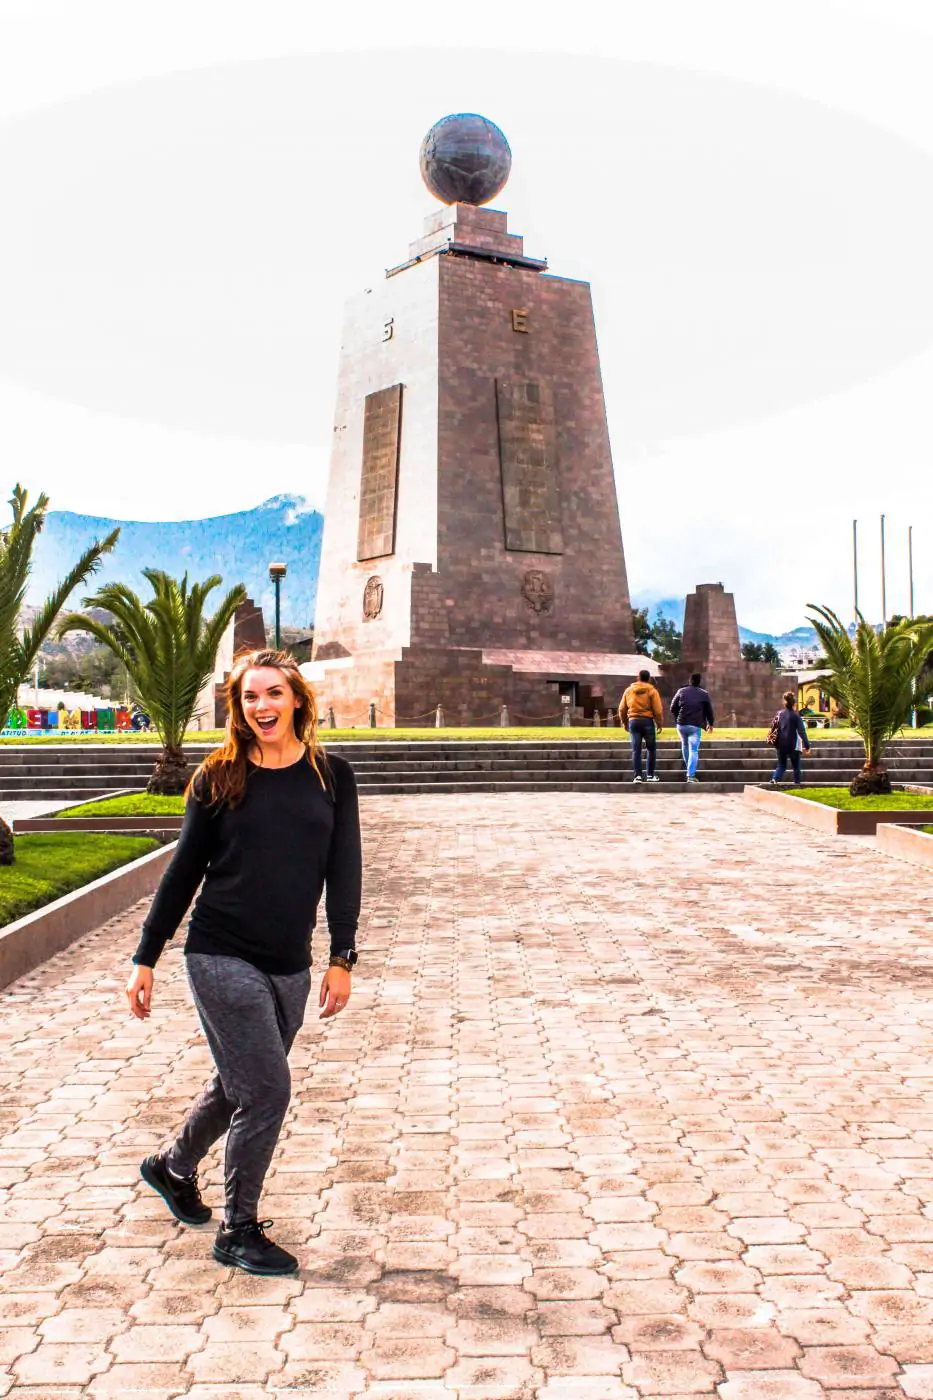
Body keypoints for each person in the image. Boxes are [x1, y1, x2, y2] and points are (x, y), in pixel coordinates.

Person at [125, 648, 361, 1277]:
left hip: (291, 962)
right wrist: (145, 956)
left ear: (297, 701)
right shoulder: (217, 775)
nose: (262, 707)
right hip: (219, 951)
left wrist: (342, 955)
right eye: (250, 697)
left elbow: (345, 870)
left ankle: (171, 1167)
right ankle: (238, 1228)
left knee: (240, 1084)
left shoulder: (332, 775)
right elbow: (182, 873)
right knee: (267, 1090)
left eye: (274, 694)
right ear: (238, 707)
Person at [619, 669, 664, 783]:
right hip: (647, 721)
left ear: (638, 677)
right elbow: (658, 710)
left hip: (633, 721)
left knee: (636, 750)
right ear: (648, 679)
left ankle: (637, 776)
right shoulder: (652, 691)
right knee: (651, 749)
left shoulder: (629, 691)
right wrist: (659, 723)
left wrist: (625, 723)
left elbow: (622, 709)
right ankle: (650, 775)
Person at [671, 672, 715, 783]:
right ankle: (690, 775)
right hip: (695, 725)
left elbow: (673, 707)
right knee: (693, 750)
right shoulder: (704, 694)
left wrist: (678, 718)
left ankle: (689, 770)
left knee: (685, 746)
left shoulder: (681, 691)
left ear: (689, 681)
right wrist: (711, 723)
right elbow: (709, 710)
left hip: (681, 724)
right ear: (699, 682)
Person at [768, 690, 812, 787]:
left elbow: (774, 727)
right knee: (796, 766)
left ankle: (774, 779)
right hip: (793, 746)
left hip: (780, 744)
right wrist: (807, 746)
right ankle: (797, 784)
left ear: (785, 702)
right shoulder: (796, 717)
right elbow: (802, 732)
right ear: (794, 704)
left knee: (781, 765)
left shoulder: (779, 714)